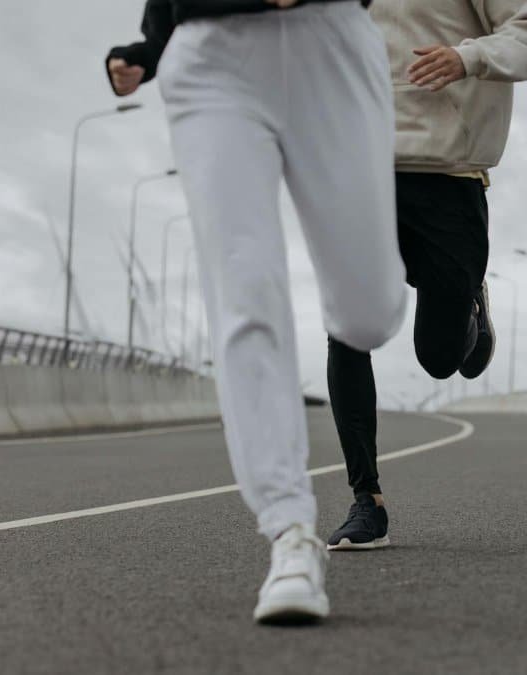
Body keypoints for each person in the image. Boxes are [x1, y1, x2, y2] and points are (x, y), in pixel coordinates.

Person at [106, 0, 407, 623]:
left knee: (369, 313)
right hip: (211, 52)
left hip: (331, 40)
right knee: (244, 286)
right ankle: (290, 533)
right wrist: (150, 48)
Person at [323, 0, 527, 551]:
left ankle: (470, 300)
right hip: (361, 167)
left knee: (440, 356)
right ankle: (366, 499)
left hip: (450, 175)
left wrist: (466, 56)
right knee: (347, 326)